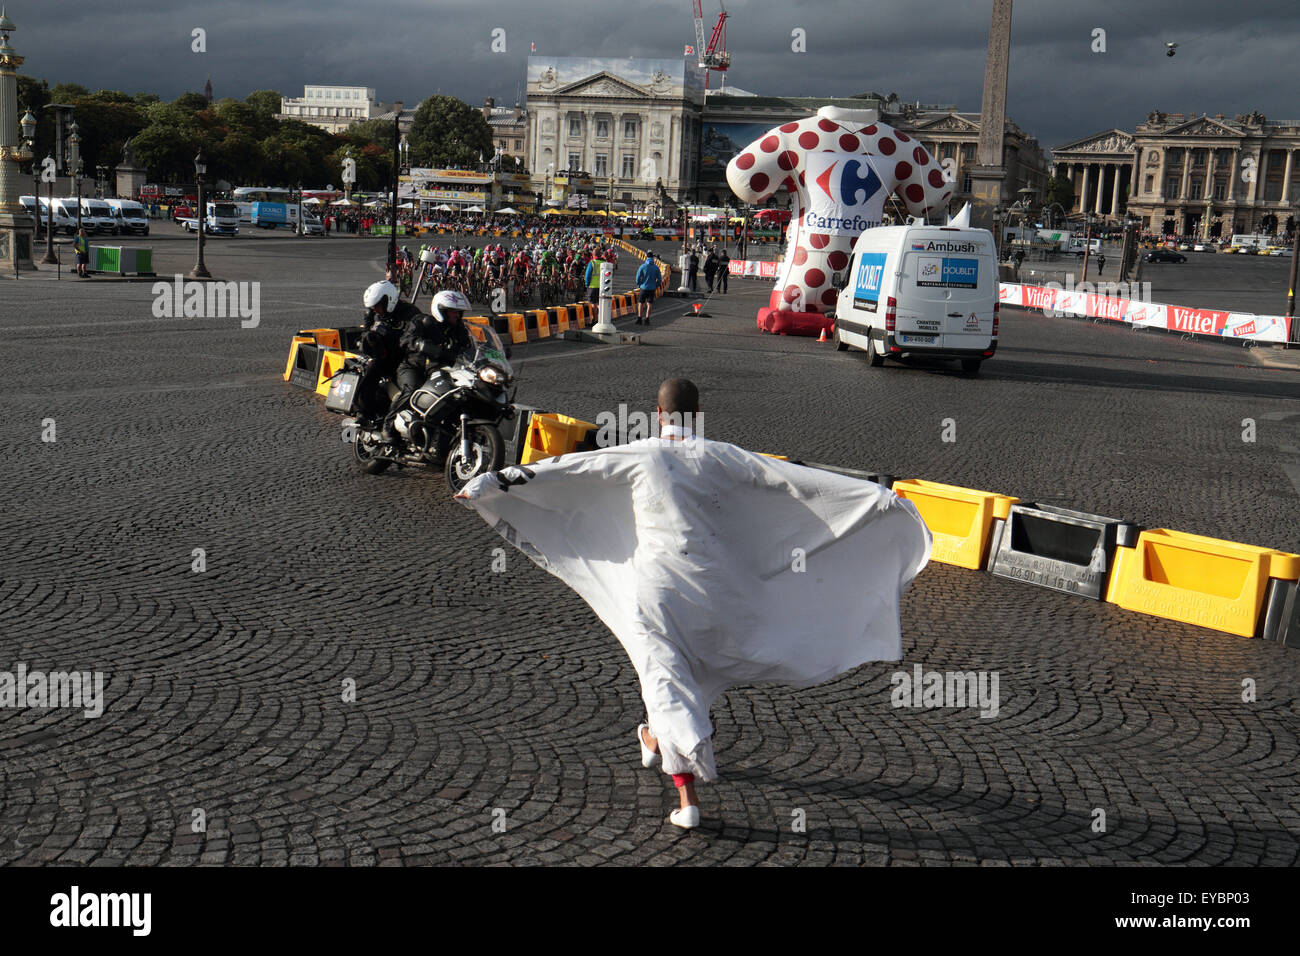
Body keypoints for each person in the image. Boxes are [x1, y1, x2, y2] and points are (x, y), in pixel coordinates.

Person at [454, 378, 931, 829]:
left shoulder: (641, 453)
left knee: (664, 677)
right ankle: (653, 738)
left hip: (656, 593)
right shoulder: (724, 457)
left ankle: (688, 801)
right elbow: (796, 482)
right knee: (681, 676)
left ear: (658, 414)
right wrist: (878, 500)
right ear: (698, 414)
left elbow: (566, 469)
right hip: (717, 595)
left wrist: (488, 484)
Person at [381, 289, 473, 459]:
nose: (458, 315)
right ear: (441, 311)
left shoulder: (459, 329)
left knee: (454, 397)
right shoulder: (422, 322)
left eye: (459, 312)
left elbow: (469, 348)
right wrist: (421, 345)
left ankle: (440, 444)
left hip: (438, 372)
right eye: (454, 312)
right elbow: (406, 340)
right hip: (412, 367)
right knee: (412, 389)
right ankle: (388, 426)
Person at [634, 253, 661, 326]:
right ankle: (647, 319)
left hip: (643, 287)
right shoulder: (656, 268)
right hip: (652, 288)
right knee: (649, 304)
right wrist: (656, 285)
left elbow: (638, 277)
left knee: (641, 303)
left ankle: (639, 318)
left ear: (646, 258)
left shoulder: (643, 266)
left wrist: (639, 284)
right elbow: (659, 280)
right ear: (653, 258)